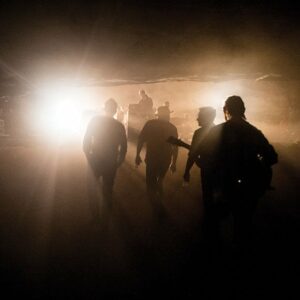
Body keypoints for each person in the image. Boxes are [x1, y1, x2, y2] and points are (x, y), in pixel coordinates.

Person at [194, 96, 278, 248]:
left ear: (226, 110)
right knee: (243, 223)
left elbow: (202, 156)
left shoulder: (217, 131)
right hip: (249, 186)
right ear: (243, 110)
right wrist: (259, 168)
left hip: (224, 185)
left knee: (214, 221)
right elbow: (272, 157)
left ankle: (213, 256)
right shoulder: (253, 132)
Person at [83, 98, 127, 217]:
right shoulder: (119, 125)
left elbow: (86, 140)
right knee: (107, 188)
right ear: (115, 111)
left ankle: (95, 215)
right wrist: (119, 161)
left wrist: (89, 156)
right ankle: (106, 214)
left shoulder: (95, 120)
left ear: (105, 108)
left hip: (95, 158)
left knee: (91, 187)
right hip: (110, 160)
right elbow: (124, 146)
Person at [135, 106, 178, 218]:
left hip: (152, 157)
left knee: (150, 182)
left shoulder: (150, 124)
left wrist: (137, 155)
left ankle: (155, 205)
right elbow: (175, 147)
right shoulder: (171, 127)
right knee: (159, 178)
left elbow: (140, 139)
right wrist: (174, 163)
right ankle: (159, 191)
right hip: (165, 159)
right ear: (167, 115)